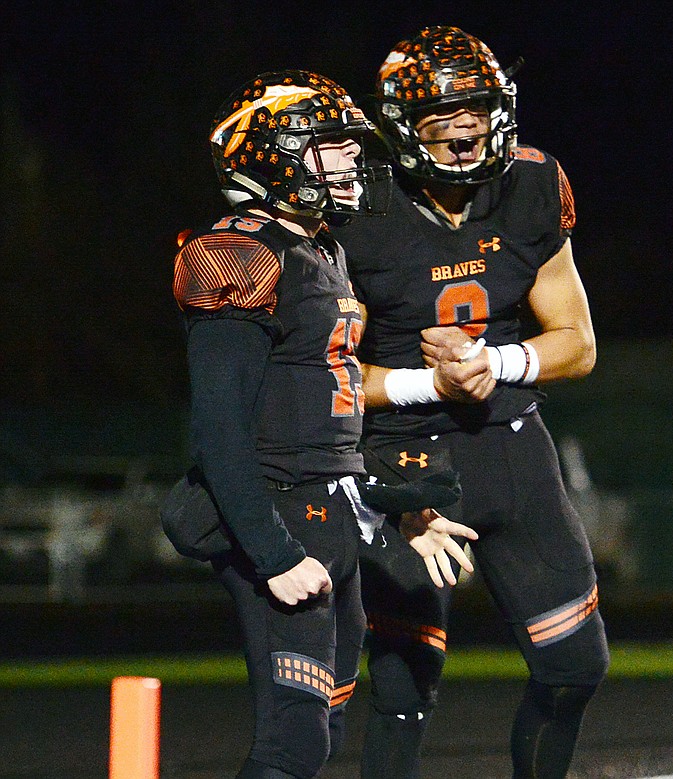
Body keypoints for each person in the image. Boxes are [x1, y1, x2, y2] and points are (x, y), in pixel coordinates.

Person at [171, 69, 477, 779]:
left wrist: (388, 510)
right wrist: (274, 554)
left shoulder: (321, 251)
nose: (349, 159)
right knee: (293, 742)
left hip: (324, 509)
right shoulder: (240, 253)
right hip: (278, 512)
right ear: (269, 153)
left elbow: (322, 416)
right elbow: (219, 433)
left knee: (322, 733)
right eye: (330, 143)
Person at [331, 26, 609, 779]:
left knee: (575, 664)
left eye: (477, 110)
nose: (465, 131)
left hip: (510, 445)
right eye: (442, 119)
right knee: (403, 687)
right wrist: (431, 383)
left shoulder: (532, 183)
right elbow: (325, 379)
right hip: (405, 456)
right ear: (401, 126)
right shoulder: (358, 211)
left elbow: (577, 342)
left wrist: (498, 361)